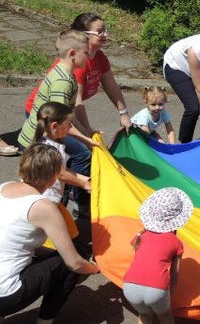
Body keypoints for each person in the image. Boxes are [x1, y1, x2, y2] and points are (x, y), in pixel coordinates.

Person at [23, 13, 132, 211]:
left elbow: (107, 87)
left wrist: (122, 113)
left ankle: (62, 203)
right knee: (70, 160)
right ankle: (69, 204)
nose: (106, 34)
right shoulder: (66, 77)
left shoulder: (87, 61)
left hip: (57, 123)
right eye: (100, 31)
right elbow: (68, 110)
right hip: (44, 126)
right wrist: (85, 136)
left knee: (58, 165)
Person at [0, 144, 99, 324]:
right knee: (77, 253)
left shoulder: (4, 188)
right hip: (5, 294)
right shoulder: (43, 207)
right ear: (54, 178)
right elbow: (74, 262)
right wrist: (95, 268)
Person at [122, 187, 192, 324]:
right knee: (165, 315)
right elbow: (175, 274)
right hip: (157, 289)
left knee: (144, 315)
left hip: (130, 286)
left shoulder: (141, 235)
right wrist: (169, 293)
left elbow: (140, 262)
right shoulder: (176, 242)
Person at [31, 102, 94, 247]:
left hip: (50, 199)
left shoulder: (48, 143)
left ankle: (69, 246)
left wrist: (87, 180)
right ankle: (60, 251)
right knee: (56, 232)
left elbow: (63, 172)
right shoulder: (50, 150)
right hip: (46, 200)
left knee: (68, 229)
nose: (70, 129)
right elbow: (61, 174)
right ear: (54, 126)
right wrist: (85, 184)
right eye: (68, 126)